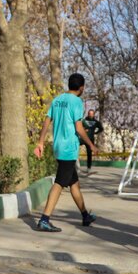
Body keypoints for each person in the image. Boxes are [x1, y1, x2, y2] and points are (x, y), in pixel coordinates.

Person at [32, 73, 98, 232]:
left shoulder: (58, 99)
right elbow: (79, 128)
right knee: (59, 183)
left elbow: (47, 120)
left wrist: (40, 141)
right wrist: (91, 145)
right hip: (68, 149)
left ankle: (85, 216)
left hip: (58, 147)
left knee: (74, 183)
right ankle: (44, 219)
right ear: (81, 88)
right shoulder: (77, 102)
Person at [80, 109, 104, 174]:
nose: (90, 115)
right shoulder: (84, 121)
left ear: (93, 114)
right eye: (89, 114)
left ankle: (89, 168)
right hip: (83, 138)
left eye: (91, 114)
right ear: (88, 114)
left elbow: (101, 128)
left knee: (89, 154)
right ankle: (75, 166)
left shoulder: (96, 122)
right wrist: (84, 130)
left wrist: (96, 132)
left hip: (90, 140)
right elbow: (79, 127)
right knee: (74, 147)